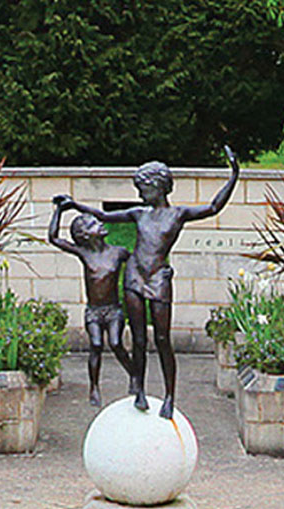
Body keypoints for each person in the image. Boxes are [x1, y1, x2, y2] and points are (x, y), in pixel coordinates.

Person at [53, 146, 239, 419]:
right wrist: (73, 205)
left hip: (158, 279)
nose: (140, 194)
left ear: (158, 186)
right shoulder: (139, 214)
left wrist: (234, 175)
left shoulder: (178, 215)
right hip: (134, 278)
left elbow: (213, 207)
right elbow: (103, 216)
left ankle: (169, 395)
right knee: (138, 338)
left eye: (143, 187)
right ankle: (138, 388)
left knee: (163, 339)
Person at [47, 203, 134, 406]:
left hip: (114, 310)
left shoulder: (118, 253)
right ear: (85, 235)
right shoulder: (84, 253)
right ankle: (94, 387)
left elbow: (138, 264)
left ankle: (134, 375)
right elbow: (54, 238)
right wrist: (59, 211)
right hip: (94, 311)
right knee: (95, 345)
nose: (100, 224)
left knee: (115, 343)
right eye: (94, 224)